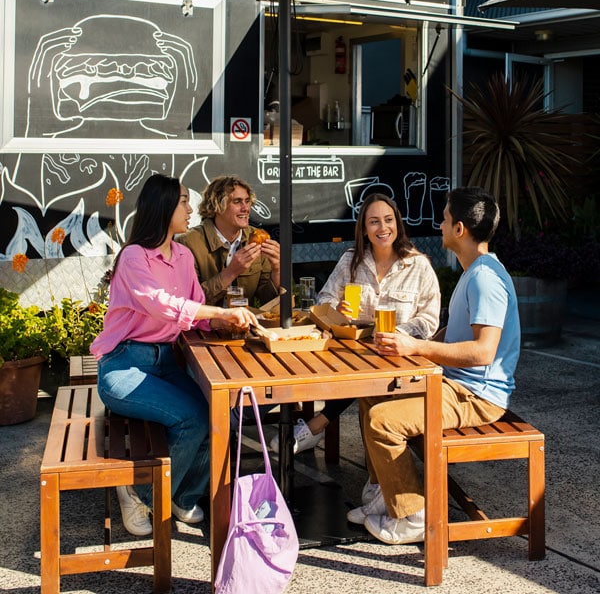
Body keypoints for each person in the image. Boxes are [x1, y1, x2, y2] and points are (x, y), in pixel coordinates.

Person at [347, 186, 520, 545]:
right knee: (372, 395)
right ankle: (385, 496)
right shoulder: (474, 271)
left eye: (444, 219)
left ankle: (412, 514)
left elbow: (484, 352)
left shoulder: (486, 279)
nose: (439, 225)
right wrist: (411, 347)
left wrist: (418, 346)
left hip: (476, 395)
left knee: (383, 422)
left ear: (459, 229)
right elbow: (454, 333)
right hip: (456, 385)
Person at [90, 174, 259, 537]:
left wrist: (226, 325)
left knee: (223, 419)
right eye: (183, 201)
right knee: (193, 419)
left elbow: (194, 307)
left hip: (166, 361)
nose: (189, 208)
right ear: (163, 207)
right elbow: (161, 304)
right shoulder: (134, 257)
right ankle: (139, 494)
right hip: (124, 365)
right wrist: (219, 314)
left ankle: (184, 494)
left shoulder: (182, 254)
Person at [270, 192, 440, 455]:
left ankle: (317, 426)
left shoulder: (418, 266)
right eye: (374, 222)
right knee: (341, 369)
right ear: (363, 228)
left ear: (397, 223)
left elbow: (429, 321)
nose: (383, 228)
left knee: (363, 377)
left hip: (400, 356)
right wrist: (336, 311)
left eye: (388, 220)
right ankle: (374, 472)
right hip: (355, 351)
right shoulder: (351, 260)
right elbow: (324, 299)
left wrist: (398, 334)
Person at [177, 175, 281, 306]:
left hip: (245, 323)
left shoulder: (256, 238)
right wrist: (231, 272)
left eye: (247, 201)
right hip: (206, 325)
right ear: (217, 206)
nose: (246, 208)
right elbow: (188, 303)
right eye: (237, 202)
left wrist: (277, 270)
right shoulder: (187, 243)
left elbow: (268, 301)